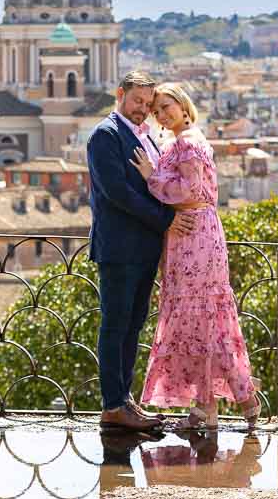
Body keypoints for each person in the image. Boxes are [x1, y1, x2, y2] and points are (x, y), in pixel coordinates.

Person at [130, 82, 261, 430]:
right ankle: (215, 405)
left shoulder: (188, 142)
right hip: (192, 233)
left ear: (184, 105)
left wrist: (151, 177)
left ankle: (225, 403)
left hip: (194, 233)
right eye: (157, 110)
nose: (161, 114)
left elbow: (188, 190)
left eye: (167, 106)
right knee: (203, 321)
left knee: (197, 317)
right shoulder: (185, 140)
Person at [87, 71, 196, 431]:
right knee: (116, 326)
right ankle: (113, 405)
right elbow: (118, 192)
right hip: (119, 248)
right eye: (137, 102)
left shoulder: (144, 136)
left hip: (143, 248)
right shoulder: (105, 136)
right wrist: (165, 220)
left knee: (132, 326)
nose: (143, 110)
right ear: (120, 95)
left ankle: (124, 402)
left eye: (148, 105)